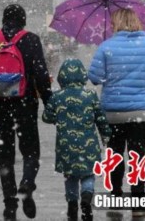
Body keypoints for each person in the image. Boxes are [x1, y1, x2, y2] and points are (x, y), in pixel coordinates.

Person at [87, 8, 145, 219]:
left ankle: (116, 197)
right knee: (138, 154)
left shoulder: (106, 47)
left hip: (113, 112)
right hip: (144, 113)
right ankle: (138, 203)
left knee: (115, 154)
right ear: (137, 22)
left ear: (116, 23)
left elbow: (94, 78)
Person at [0, 3, 52, 221]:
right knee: (30, 152)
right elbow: (41, 74)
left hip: (1, 105)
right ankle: (27, 184)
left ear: (3, 19)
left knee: (5, 156)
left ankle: (10, 203)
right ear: (24, 19)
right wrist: (48, 101)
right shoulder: (31, 40)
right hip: (26, 104)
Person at [42, 58, 112, 221]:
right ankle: (86, 198)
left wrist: (57, 117)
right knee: (88, 175)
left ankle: (72, 204)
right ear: (82, 76)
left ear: (62, 77)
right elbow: (100, 118)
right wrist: (106, 135)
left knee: (70, 176)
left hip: (66, 146)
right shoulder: (90, 95)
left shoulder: (57, 97)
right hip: (89, 145)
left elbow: (46, 116)